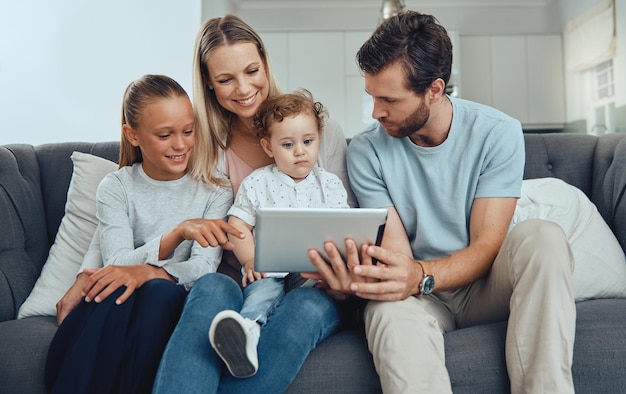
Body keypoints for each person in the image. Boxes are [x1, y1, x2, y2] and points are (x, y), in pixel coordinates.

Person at [305, 11, 576, 394]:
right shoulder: (366, 150)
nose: (375, 112)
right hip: (419, 297)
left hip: (485, 287)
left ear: (434, 89)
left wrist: (421, 275)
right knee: (384, 308)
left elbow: (486, 247)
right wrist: (358, 280)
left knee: (544, 238)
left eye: (389, 99)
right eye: (371, 96)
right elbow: (397, 257)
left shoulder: (498, 133)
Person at [152, 15, 347, 393]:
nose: (243, 88)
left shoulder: (316, 127)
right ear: (208, 82)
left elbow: (345, 221)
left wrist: (338, 276)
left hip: (312, 285)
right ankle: (239, 331)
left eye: (252, 70)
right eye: (225, 79)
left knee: (304, 308)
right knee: (211, 288)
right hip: (241, 275)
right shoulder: (204, 148)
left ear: (265, 64)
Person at [45, 74, 238, 394]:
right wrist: (176, 235)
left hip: (169, 301)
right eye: (165, 135)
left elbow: (203, 269)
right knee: (112, 288)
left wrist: (148, 272)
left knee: (159, 292)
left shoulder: (214, 189)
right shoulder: (116, 186)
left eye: (188, 132)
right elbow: (117, 261)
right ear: (132, 135)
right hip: (120, 305)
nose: (180, 145)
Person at [208, 89, 349, 379]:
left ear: (318, 139)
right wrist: (249, 261)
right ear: (268, 147)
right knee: (261, 291)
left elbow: (343, 228)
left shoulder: (329, 184)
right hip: (270, 270)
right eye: (287, 144)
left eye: (308, 142)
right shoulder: (258, 183)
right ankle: (247, 330)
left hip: (313, 275)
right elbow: (238, 226)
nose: (300, 151)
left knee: (310, 293)